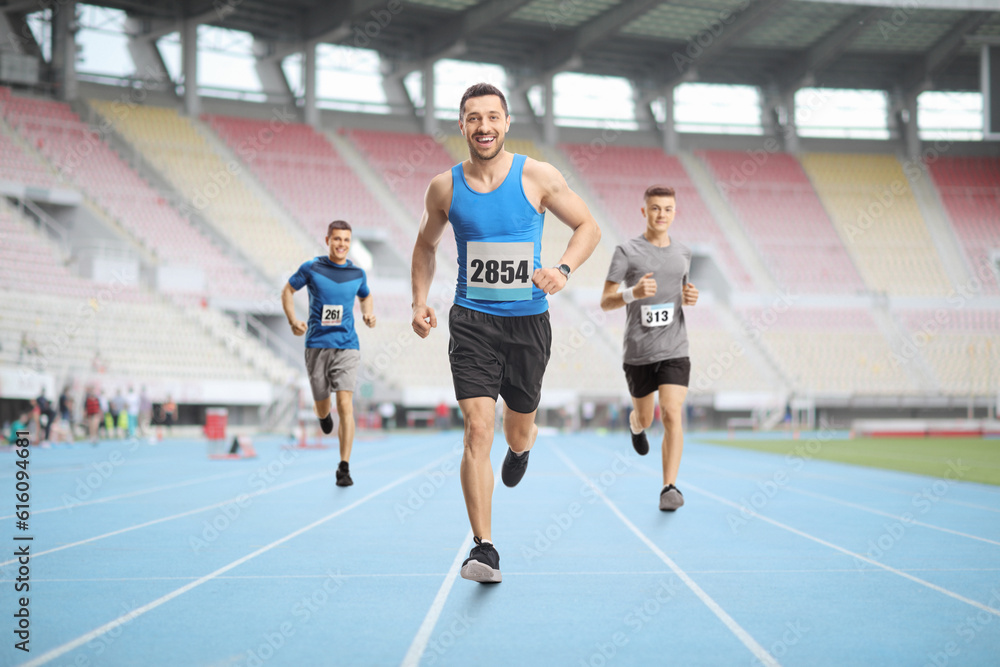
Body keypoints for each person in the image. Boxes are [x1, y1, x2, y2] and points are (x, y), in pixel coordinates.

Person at [410, 82, 601, 583]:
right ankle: (484, 547)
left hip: (527, 323)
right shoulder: (444, 187)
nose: (483, 127)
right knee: (477, 428)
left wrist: (561, 269)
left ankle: (522, 447)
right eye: (473, 118)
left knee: (516, 427)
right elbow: (425, 247)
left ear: (507, 122)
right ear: (462, 125)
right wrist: (418, 302)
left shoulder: (537, 176)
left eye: (492, 117)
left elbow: (589, 228)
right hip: (471, 320)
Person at [600, 185, 699, 512]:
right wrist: (633, 293)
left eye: (667, 209)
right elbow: (605, 301)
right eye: (655, 208)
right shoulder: (626, 252)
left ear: (675, 212)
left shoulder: (684, 253)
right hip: (639, 352)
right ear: (644, 211)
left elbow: (683, 291)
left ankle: (669, 487)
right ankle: (636, 425)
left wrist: (690, 297)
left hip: (675, 348)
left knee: (671, 412)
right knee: (645, 416)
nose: (661, 215)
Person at [283, 220, 375, 488]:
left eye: (346, 240)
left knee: (345, 404)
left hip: (347, 345)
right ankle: (323, 415)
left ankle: (344, 467)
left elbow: (366, 296)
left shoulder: (357, 273)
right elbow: (287, 290)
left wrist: (368, 313)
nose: (341, 245)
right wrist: (292, 320)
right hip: (316, 345)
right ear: (327, 240)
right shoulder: (312, 268)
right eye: (337, 239)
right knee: (324, 405)